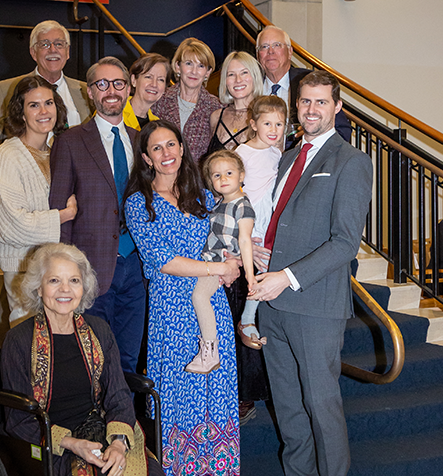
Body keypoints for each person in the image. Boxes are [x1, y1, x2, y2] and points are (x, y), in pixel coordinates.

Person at [249, 71, 373, 476]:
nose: (312, 109)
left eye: (321, 102)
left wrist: (287, 276)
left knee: (323, 410)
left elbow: (344, 242)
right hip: (273, 305)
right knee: (289, 412)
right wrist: (260, 253)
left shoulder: (351, 161)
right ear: (295, 105)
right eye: (305, 101)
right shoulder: (288, 155)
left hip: (315, 308)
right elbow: (283, 224)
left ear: (337, 107)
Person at [124, 120, 240, 476]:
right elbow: (165, 261)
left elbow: (226, 239)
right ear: (146, 158)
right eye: (157, 148)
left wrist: (234, 262)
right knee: (181, 399)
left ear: (182, 148)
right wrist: (217, 270)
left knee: (216, 393)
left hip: (212, 309)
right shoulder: (138, 204)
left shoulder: (205, 196)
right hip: (172, 313)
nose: (167, 153)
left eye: (171, 144)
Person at [1, 243, 164, 476]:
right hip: (49, 443)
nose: (65, 290)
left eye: (74, 281)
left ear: (83, 287)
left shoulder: (98, 330)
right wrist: (71, 443)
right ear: (38, 288)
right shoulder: (19, 340)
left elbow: (118, 395)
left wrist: (118, 443)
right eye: (54, 281)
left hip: (98, 431)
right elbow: (18, 420)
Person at [49, 57, 145, 375]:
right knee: (91, 359)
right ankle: (92, 424)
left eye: (118, 83)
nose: (111, 91)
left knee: (129, 358)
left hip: (138, 268)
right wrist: (66, 273)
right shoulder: (71, 141)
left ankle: (124, 423)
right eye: (102, 84)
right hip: (91, 268)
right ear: (90, 92)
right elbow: (59, 209)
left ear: (129, 89)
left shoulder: (141, 140)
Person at [0, 20, 91, 227]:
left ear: (68, 52)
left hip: (78, 199)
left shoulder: (86, 92)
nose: (53, 50)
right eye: (45, 44)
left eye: (59, 44)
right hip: (29, 201)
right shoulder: (6, 90)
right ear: (33, 53)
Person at [0, 76, 77, 328]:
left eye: (49, 103)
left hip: (58, 266)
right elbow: (13, 223)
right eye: (34, 105)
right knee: (31, 344)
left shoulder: (60, 150)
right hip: (23, 267)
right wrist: (63, 216)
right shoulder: (8, 154)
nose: (44, 111)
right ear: (21, 113)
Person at [185, 150, 255, 374]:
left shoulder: (242, 205)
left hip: (218, 262)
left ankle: (210, 350)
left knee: (199, 295)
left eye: (229, 173)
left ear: (241, 175)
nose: (223, 179)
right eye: (216, 176)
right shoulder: (218, 203)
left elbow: (245, 240)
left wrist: (250, 276)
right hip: (208, 260)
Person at [235, 95, 286, 350]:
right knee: (255, 267)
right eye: (268, 124)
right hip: (249, 220)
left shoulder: (277, 154)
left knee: (267, 266)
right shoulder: (242, 153)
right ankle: (246, 319)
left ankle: (253, 317)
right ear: (254, 124)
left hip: (270, 218)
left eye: (279, 124)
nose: (274, 130)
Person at [255, 25, 352, 146]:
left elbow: (342, 130)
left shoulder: (310, 82)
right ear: (258, 55)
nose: (270, 51)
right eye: (264, 47)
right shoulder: (250, 86)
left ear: (290, 52)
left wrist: (314, 139)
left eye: (277, 45)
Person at [151, 38, 222, 162]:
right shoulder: (159, 100)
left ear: (208, 72)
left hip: (198, 179)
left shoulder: (216, 107)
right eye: (189, 63)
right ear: (178, 66)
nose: (194, 72)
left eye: (201, 66)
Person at [207, 51, 264, 154]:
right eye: (231, 74)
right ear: (225, 81)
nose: (238, 80)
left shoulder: (265, 116)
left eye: (244, 72)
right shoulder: (215, 117)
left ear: (255, 76)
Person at [123, 53, 170, 131]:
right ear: (133, 80)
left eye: (160, 79)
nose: (154, 84)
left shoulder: (157, 125)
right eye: (148, 77)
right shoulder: (114, 114)